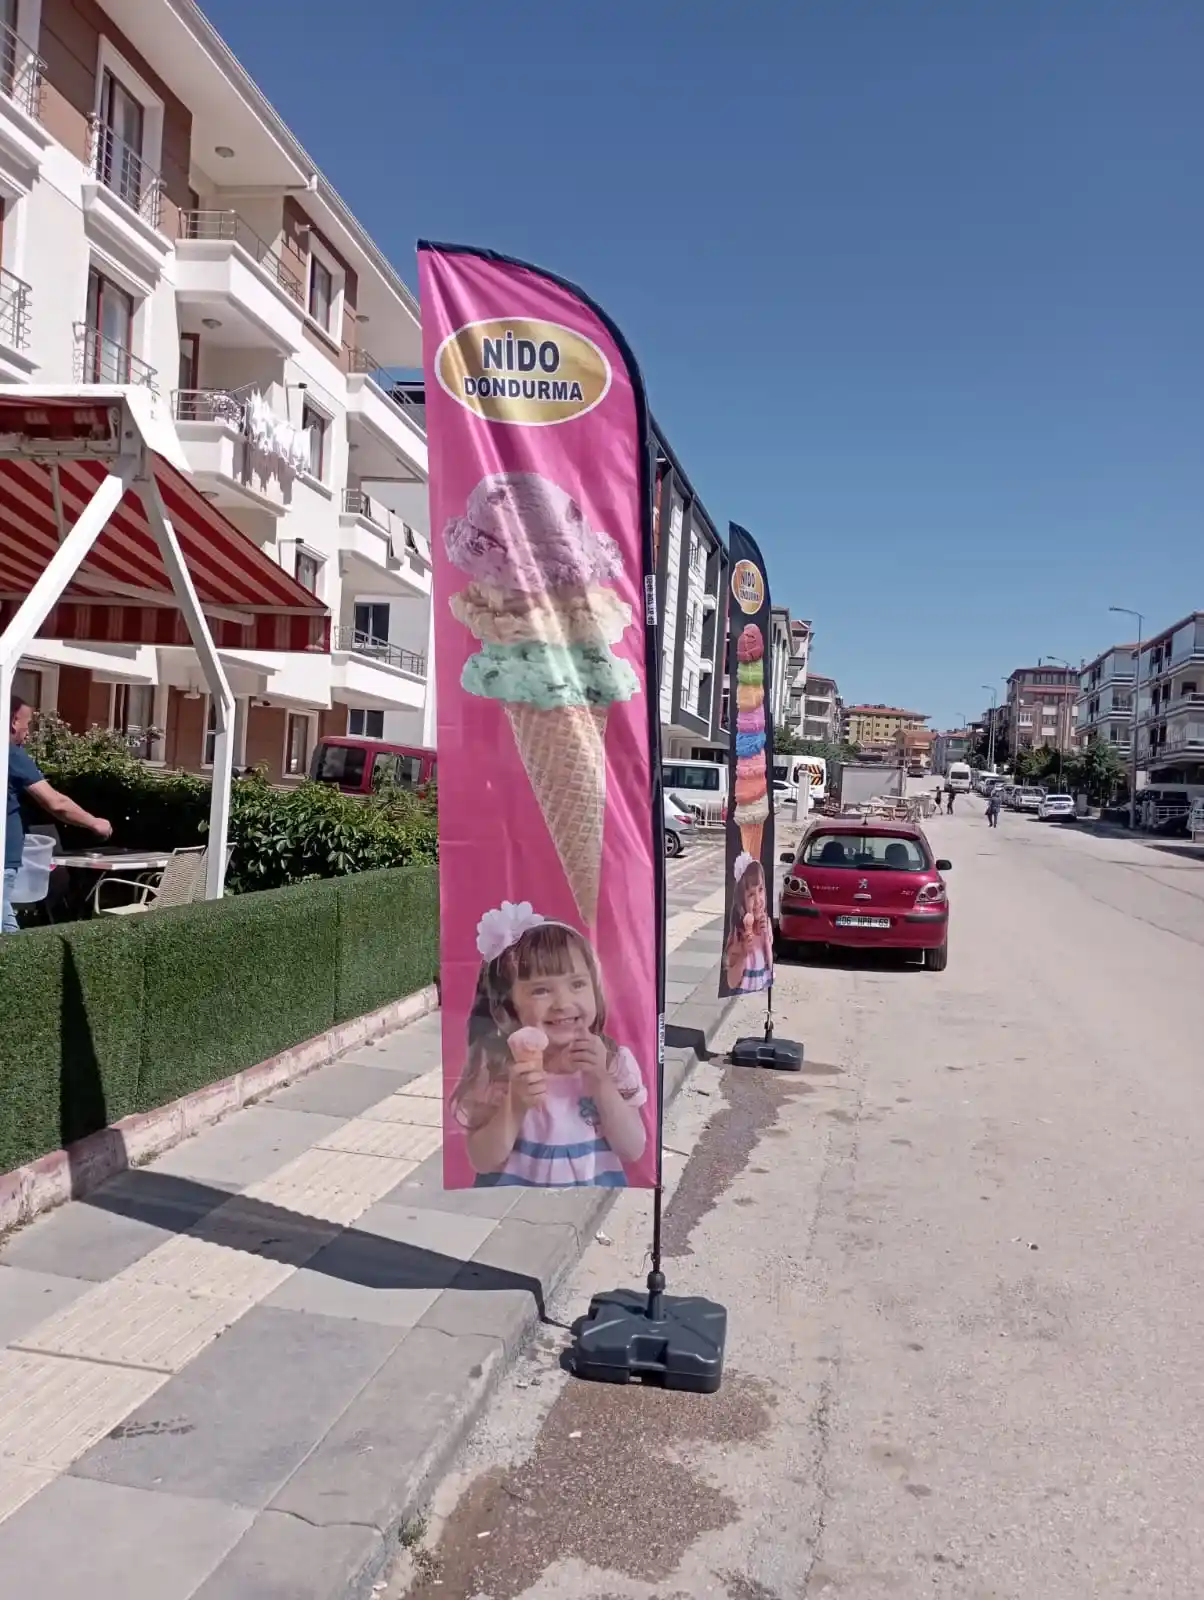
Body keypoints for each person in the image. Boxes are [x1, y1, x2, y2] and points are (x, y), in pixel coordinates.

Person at [451, 901, 647, 1186]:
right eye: (541, 990)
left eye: (577, 984)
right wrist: (515, 1105)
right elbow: (482, 1160)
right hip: (518, 1206)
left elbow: (633, 1150)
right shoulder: (496, 1069)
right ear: (507, 1008)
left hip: (590, 1204)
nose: (563, 1003)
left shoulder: (614, 1062)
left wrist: (602, 1084)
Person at [5, 697, 111, 933]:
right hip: (3, 863)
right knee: (8, 934)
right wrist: (95, 823)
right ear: (13, 721)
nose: (28, 732)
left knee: (8, 927)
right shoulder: (11, 754)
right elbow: (56, 803)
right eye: (27, 724)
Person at [724, 852, 773, 992]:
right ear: (742, 902)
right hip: (744, 996)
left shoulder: (766, 924)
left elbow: (770, 964)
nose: (758, 900)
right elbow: (731, 982)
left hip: (762, 991)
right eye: (751, 894)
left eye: (761, 890)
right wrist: (743, 952)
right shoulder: (738, 934)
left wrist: (766, 937)